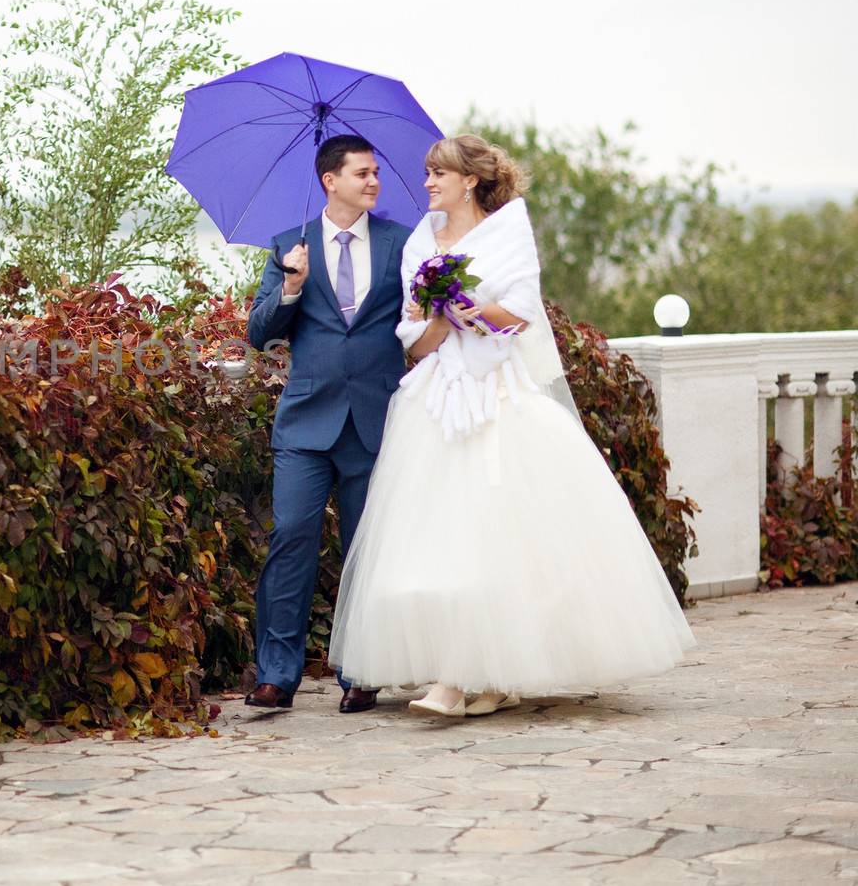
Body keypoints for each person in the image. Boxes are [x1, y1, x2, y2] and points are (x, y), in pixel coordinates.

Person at [328, 134, 696, 718]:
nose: (426, 183)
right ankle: (459, 674)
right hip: (436, 401)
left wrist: (466, 304)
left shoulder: (508, 230)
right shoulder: (420, 239)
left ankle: (476, 679)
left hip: (499, 398)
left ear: (469, 180)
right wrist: (441, 318)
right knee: (438, 537)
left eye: (437, 173)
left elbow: (521, 314)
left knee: (494, 537)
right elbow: (416, 339)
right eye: (426, 172)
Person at [244, 133, 414, 713]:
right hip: (306, 425)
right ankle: (275, 675)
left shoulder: (400, 243)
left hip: (376, 419)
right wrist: (291, 285)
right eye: (361, 173)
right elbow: (259, 332)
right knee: (290, 539)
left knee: (366, 551)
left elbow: (418, 323)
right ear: (330, 180)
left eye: (375, 172)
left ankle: (362, 671)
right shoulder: (287, 246)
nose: (373, 181)